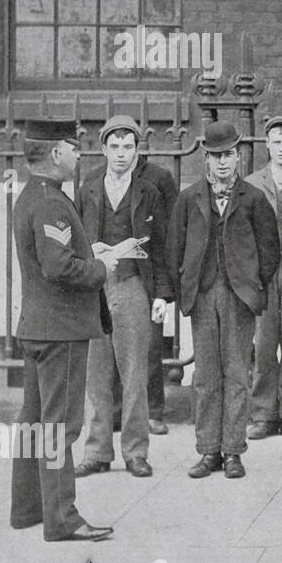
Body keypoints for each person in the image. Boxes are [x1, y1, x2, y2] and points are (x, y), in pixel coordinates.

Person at [10, 118, 115, 542]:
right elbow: (58, 267)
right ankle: (63, 520)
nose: (78, 153)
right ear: (55, 153)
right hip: (62, 332)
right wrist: (101, 268)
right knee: (60, 427)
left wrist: (90, 254)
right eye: (73, 146)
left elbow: (50, 257)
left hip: (38, 327)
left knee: (35, 423)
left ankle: (29, 511)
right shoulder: (52, 201)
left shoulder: (30, 196)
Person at [170, 121, 280, 480]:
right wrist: (185, 286)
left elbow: (269, 252)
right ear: (206, 158)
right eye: (215, 155)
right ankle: (208, 450)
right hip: (202, 294)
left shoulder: (254, 198)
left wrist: (251, 286)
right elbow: (175, 248)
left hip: (238, 295)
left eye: (228, 155)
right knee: (205, 374)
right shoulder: (189, 198)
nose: (222, 162)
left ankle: (233, 450)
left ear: (238, 156)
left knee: (236, 372)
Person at [76, 116, 172, 479]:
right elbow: (77, 241)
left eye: (128, 147)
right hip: (96, 287)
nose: (121, 154)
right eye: (114, 147)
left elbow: (162, 245)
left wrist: (163, 294)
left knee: (135, 372)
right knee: (96, 372)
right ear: (103, 149)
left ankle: (135, 451)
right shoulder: (88, 187)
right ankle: (97, 450)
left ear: (137, 150)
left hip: (134, 284)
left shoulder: (148, 190)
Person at [246, 114, 282, 441]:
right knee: (264, 345)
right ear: (267, 144)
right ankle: (263, 413)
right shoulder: (254, 182)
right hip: (265, 276)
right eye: (276, 142)